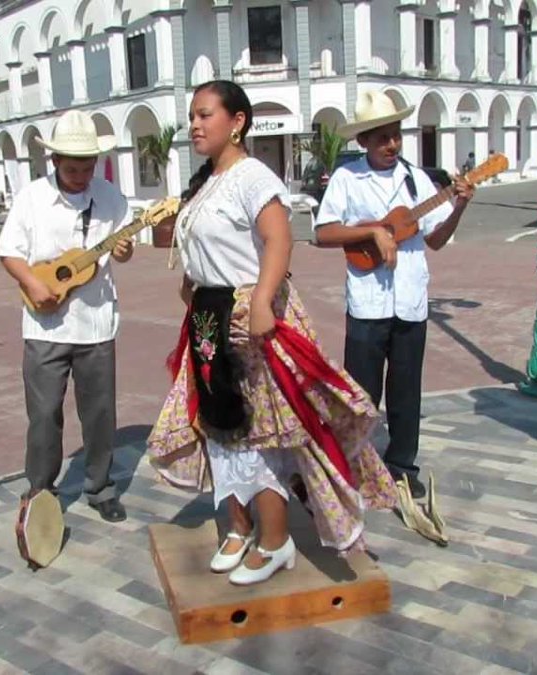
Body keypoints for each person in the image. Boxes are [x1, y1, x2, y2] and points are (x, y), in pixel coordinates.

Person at [146, 80, 396, 586]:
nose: (194, 125)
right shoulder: (203, 183)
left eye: (204, 115)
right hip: (210, 317)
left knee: (264, 430)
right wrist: (191, 288)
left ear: (237, 121)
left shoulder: (252, 175)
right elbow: (199, 251)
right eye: (192, 116)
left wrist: (260, 300)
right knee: (219, 424)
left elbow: (278, 239)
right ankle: (238, 527)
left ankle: (277, 539)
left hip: (249, 315)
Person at [313, 90, 476, 500]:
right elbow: (323, 231)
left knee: (406, 389)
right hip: (367, 302)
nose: (391, 144)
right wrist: (372, 231)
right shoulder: (348, 179)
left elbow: (436, 238)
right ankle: (356, 463)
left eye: (395, 135)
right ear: (363, 141)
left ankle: (402, 465)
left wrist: (458, 206)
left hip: (409, 302)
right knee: (362, 392)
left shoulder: (416, 179)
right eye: (381, 137)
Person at [0, 110, 134, 523]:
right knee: (43, 414)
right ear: (54, 161)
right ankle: (41, 490)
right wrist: (32, 283)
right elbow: (9, 251)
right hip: (45, 325)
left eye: (88, 166)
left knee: (99, 414)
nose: (81, 174)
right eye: (72, 167)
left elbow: (124, 247)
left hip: (96, 325)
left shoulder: (110, 198)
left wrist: (125, 251)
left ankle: (100, 486)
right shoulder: (31, 198)